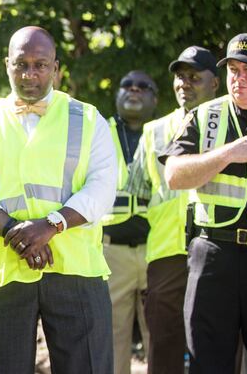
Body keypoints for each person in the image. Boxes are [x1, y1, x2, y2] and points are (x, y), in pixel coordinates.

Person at [0, 26, 116, 373]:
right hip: (2, 272)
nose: (30, 74)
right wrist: (16, 232)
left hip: (76, 269)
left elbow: (103, 187)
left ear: (56, 68)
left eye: (40, 65)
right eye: (21, 64)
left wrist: (51, 225)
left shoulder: (88, 118)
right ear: (6, 66)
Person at [162, 32, 247, 373]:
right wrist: (230, 153)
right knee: (206, 363)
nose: (237, 78)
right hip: (213, 253)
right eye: (232, 69)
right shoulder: (204, 116)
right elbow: (174, 175)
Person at [127, 45, 219, 374]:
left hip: (217, 248)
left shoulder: (231, 127)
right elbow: (136, 188)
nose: (184, 84)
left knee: (216, 343)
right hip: (167, 253)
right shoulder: (154, 131)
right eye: (180, 78)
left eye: (194, 77)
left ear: (215, 85)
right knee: (164, 344)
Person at [101, 71, 158, 374]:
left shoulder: (166, 132)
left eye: (143, 87)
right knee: (112, 338)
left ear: (155, 99)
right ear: (117, 95)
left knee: (160, 337)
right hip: (112, 252)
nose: (134, 90)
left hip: (157, 251)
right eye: (127, 85)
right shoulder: (100, 131)